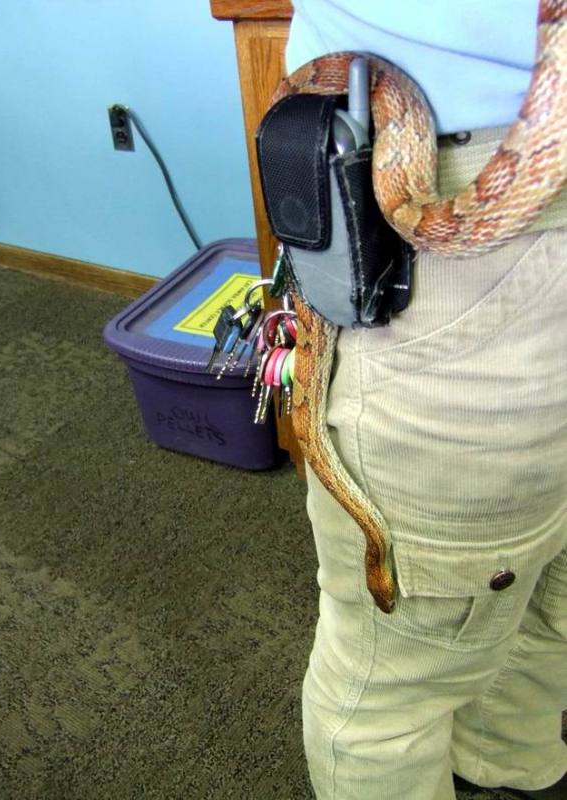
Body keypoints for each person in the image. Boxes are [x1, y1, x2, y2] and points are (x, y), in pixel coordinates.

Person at [283, 2, 567, 798]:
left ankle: (510, 767)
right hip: (456, 221)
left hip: (491, 210)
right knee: (394, 672)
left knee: (545, 582)